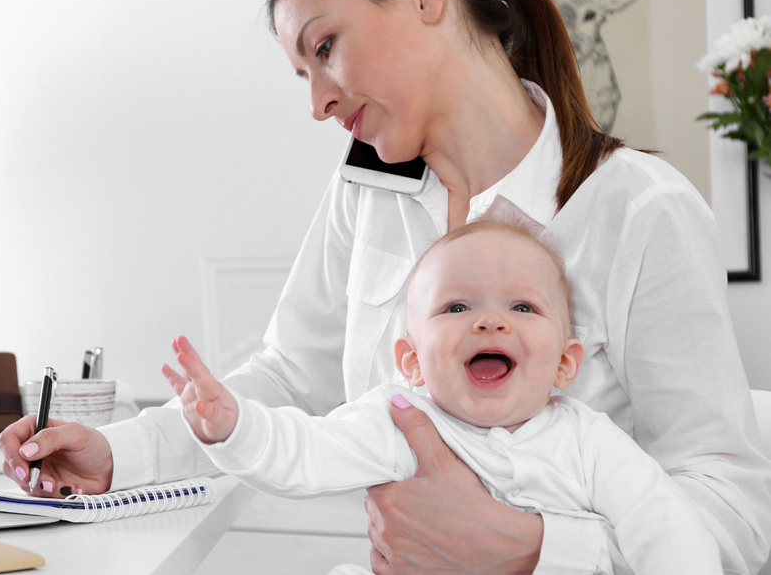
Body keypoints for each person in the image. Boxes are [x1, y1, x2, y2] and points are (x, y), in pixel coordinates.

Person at [0, 0, 771, 572]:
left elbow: (733, 519)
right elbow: (287, 379)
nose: (319, 105)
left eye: (324, 49)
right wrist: (118, 454)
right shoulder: (367, 189)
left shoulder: (637, 208)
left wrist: (533, 548)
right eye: (302, 75)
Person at [162, 208, 721, 575]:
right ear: (411, 360)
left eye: (522, 307)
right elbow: (303, 452)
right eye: (457, 307)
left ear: (565, 362)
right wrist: (235, 426)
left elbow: (665, 526)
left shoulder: (589, 441)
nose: (490, 322)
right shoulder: (397, 418)